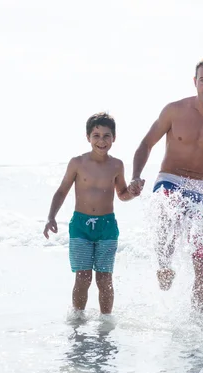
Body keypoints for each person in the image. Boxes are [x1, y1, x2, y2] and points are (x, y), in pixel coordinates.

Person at [128, 57, 203, 314]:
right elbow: (146, 144)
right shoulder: (174, 110)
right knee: (170, 213)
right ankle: (164, 263)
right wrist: (136, 176)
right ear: (195, 82)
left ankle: (195, 320)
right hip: (170, 179)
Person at [43, 112, 135, 317]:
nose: (101, 141)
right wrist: (51, 216)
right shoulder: (77, 163)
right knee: (83, 277)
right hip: (80, 227)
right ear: (88, 137)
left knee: (104, 279)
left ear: (114, 138)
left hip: (107, 227)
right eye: (96, 135)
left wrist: (133, 193)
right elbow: (62, 190)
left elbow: (122, 194)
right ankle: (77, 319)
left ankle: (106, 323)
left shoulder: (117, 165)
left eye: (106, 136)